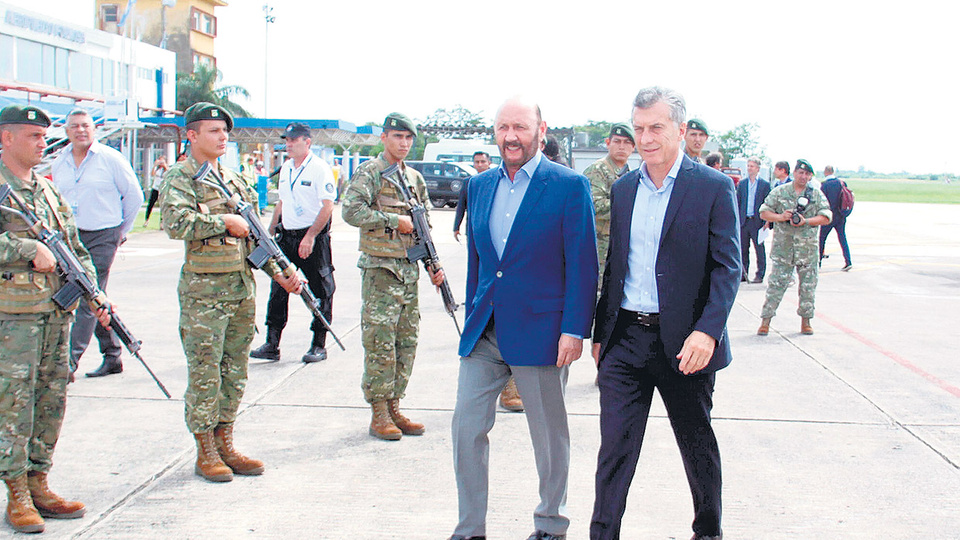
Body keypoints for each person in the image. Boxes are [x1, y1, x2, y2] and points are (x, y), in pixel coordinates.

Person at [590, 87, 740, 540]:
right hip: (626, 340)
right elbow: (616, 265)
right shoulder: (623, 189)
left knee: (696, 445)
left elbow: (727, 268)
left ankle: (708, 531)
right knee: (614, 449)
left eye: (656, 127)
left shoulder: (712, 188)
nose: (645, 137)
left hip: (686, 345)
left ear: (679, 128)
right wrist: (602, 332)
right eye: (639, 128)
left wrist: (707, 332)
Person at [449, 97, 598, 540]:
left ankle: (551, 525)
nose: (510, 136)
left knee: (549, 440)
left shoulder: (569, 186)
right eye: (502, 128)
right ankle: (470, 528)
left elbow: (583, 264)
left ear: (541, 129)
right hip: (485, 332)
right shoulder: (478, 186)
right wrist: (475, 309)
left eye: (519, 127)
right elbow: (481, 262)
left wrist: (574, 329)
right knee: (466, 429)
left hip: (543, 334)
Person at [160, 102, 302, 482]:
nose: (222, 137)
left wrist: (281, 272)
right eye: (213, 131)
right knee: (206, 372)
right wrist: (222, 221)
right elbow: (174, 222)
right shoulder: (182, 177)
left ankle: (226, 441)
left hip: (240, 289)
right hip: (204, 293)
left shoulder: (236, 180)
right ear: (191, 135)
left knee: (235, 371)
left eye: (225, 131)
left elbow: (257, 238)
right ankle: (205, 449)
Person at [0, 105, 113, 533]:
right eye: (33, 135)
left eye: (44, 135)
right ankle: (15, 493)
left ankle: (39, 481)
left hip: (54, 316)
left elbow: (74, 246)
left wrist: (95, 292)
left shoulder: (47, 191)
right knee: (15, 404)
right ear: (7, 138)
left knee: (51, 401)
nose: (42, 142)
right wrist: (25, 250)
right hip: (13, 319)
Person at [341, 112, 445, 441]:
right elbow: (350, 210)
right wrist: (392, 220)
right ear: (384, 137)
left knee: (406, 341)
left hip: (409, 271)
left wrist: (432, 263)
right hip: (380, 272)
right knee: (380, 343)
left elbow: (424, 222)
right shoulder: (370, 172)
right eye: (397, 137)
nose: (403, 143)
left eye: (408, 138)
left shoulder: (413, 177)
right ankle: (379, 413)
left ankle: (395, 406)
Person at [51, 109, 143, 379]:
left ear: (95, 129)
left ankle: (69, 363)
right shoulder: (59, 162)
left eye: (86, 126)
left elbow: (134, 196)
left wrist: (120, 232)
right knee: (96, 295)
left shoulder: (110, 159)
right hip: (71, 237)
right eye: (75, 126)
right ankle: (112, 354)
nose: (81, 130)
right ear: (67, 131)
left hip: (104, 234)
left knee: (86, 294)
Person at [250, 122, 337, 364]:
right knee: (279, 288)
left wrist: (310, 236)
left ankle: (319, 344)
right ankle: (272, 343)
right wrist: (269, 231)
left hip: (313, 237)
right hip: (286, 237)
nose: (288, 144)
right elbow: (282, 202)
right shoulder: (286, 167)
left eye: (293, 140)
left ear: (307, 142)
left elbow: (327, 206)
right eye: (287, 140)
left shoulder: (319, 168)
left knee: (322, 290)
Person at [757, 159, 832, 336]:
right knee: (775, 286)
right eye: (800, 173)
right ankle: (765, 321)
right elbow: (763, 212)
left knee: (808, 287)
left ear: (810, 176)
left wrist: (806, 221)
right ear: (794, 173)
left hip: (807, 250)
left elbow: (827, 216)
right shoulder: (780, 191)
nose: (803, 176)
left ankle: (806, 322)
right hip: (784, 249)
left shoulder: (815, 194)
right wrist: (781, 216)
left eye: (807, 174)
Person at [584, 122, 636, 277]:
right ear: (608, 143)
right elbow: (594, 205)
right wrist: (628, 205)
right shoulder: (598, 170)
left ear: (633, 147)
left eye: (627, 143)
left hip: (620, 247)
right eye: (617, 141)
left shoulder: (630, 174)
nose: (622, 147)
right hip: (599, 247)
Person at [736, 156, 771, 283]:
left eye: (752, 166)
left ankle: (759, 274)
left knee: (759, 249)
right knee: (743, 249)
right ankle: (743, 274)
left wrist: (767, 222)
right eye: (748, 166)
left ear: (758, 169)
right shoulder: (742, 184)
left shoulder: (764, 185)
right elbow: (738, 202)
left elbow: (769, 204)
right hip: (744, 221)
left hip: (758, 222)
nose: (749, 168)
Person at [818, 165, 852, 271]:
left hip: (828, 216)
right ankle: (848, 261)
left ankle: (818, 261)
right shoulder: (841, 183)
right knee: (842, 238)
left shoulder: (824, 185)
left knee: (822, 238)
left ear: (826, 172)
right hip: (841, 215)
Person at [453, 151, 490, 242]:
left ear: (489, 163)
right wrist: (456, 227)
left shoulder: (498, 181)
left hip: (491, 229)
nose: (480, 164)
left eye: (483, 161)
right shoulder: (468, 182)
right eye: (477, 162)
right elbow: (461, 206)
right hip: (473, 229)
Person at [144, 155, 168, 224]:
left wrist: (165, 165)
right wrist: (154, 165)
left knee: (162, 206)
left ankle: (162, 222)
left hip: (163, 189)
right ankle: (147, 220)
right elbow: (152, 174)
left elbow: (168, 173)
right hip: (155, 188)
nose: (161, 163)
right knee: (151, 204)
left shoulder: (166, 169)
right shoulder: (157, 169)